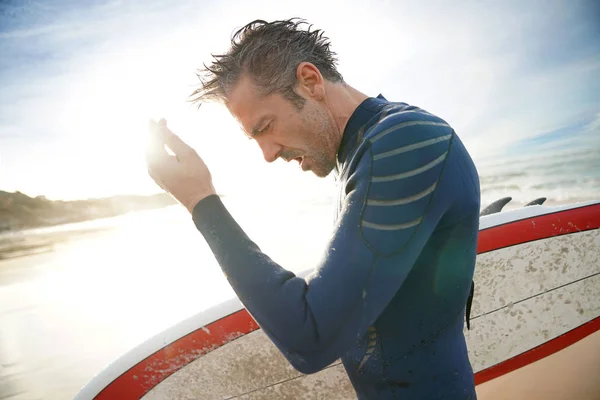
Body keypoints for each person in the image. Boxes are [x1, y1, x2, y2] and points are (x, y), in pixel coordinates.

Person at [145, 18, 480, 400]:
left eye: (265, 126)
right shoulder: (365, 151)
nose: (268, 154)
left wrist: (200, 201)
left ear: (310, 81)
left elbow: (312, 336)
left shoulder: (405, 143)